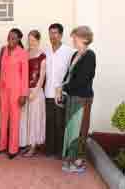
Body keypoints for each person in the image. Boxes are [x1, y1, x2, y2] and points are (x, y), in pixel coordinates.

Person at [57, 26, 96, 173]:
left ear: (85, 39)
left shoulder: (89, 55)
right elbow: (68, 75)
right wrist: (61, 86)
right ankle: (70, 158)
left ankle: (78, 161)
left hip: (83, 98)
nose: (73, 39)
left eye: (75, 37)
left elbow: (82, 80)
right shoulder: (75, 55)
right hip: (73, 97)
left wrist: (64, 89)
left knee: (80, 130)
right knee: (71, 128)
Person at [0, 28, 29, 159]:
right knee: (3, 118)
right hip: (3, 90)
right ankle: (2, 145)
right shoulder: (3, 50)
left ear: (19, 39)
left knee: (14, 119)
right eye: (9, 37)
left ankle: (13, 149)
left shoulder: (22, 53)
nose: (10, 40)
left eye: (13, 38)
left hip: (16, 91)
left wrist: (24, 94)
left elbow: (25, 74)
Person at [44, 23, 75, 159]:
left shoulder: (69, 52)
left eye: (55, 33)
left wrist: (65, 89)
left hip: (61, 94)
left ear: (61, 35)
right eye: (51, 33)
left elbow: (72, 73)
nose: (52, 36)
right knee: (49, 122)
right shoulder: (46, 51)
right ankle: (49, 150)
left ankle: (60, 151)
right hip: (48, 93)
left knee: (60, 123)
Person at [20, 30, 46, 157]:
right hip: (25, 90)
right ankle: (28, 144)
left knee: (35, 119)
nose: (31, 42)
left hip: (36, 90)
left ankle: (34, 146)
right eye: (29, 40)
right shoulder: (25, 54)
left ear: (38, 40)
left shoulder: (42, 55)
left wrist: (34, 92)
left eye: (33, 40)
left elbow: (42, 76)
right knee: (26, 119)